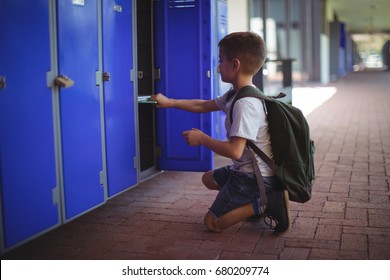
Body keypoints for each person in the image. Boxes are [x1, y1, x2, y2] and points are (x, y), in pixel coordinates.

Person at [151, 32, 289, 233]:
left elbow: (234, 151)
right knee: (209, 179)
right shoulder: (236, 93)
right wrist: (170, 102)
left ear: (235, 65)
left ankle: (265, 203)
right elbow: (203, 105)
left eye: (220, 61)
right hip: (244, 170)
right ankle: (253, 203)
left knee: (212, 224)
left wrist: (203, 139)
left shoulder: (245, 104)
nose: (217, 67)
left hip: (253, 177)